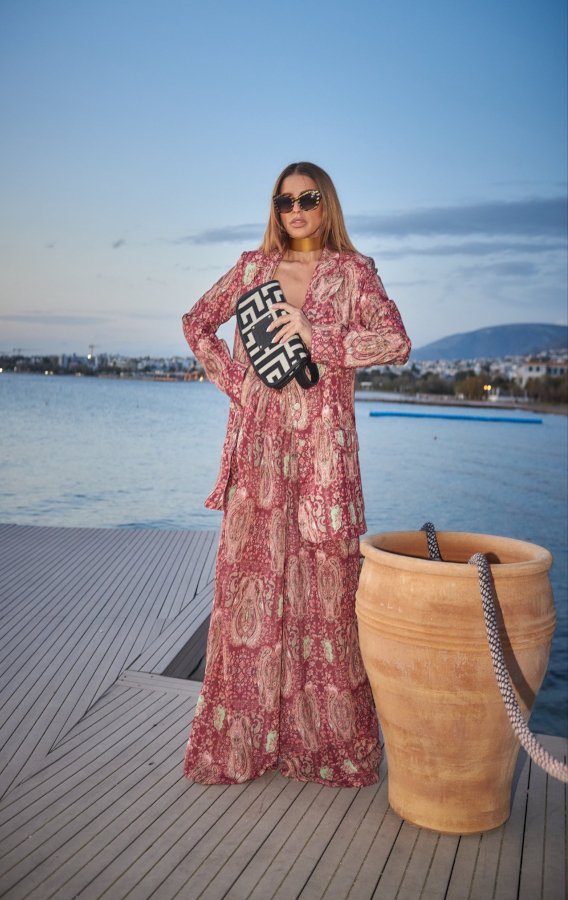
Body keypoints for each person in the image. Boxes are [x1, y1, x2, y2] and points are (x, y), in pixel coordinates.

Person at [182, 161, 411, 787]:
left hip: (323, 459)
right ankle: (242, 743)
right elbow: (195, 323)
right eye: (285, 202)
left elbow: (395, 341)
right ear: (275, 209)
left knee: (327, 597)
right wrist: (239, 385)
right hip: (258, 450)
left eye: (308, 199)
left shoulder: (354, 272)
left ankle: (325, 746)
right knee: (249, 589)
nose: (296, 211)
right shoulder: (252, 269)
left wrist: (318, 334)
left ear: (326, 203)